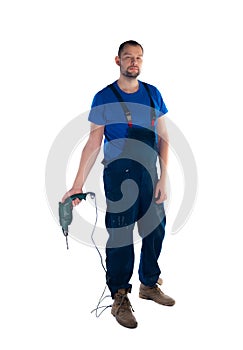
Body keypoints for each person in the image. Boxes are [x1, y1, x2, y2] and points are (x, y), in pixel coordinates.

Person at [62, 40, 175, 329]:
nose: (133, 62)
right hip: (118, 174)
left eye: (138, 57)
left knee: (156, 230)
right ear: (118, 60)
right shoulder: (104, 97)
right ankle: (119, 296)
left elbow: (163, 136)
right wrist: (77, 184)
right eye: (128, 57)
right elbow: (92, 143)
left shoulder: (152, 93)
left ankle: (149, 284)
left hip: (150, 174)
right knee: (121, 235)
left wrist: (164, 176)